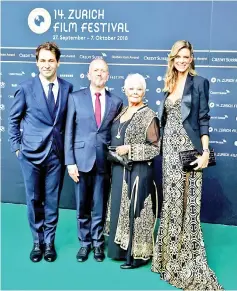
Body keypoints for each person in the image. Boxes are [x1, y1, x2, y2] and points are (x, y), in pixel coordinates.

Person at [151, 40, 223, 290]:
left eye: (186, 56)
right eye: (178, 56)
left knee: (188, 202)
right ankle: (167, 257)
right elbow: (166, 121)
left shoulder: (200, 83)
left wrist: (205, 151)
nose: (182, 60)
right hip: (169, 151)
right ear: (172, 59)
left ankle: (186, 256)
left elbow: (203, 118)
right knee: (171, 201)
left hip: (189, 149)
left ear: (192, 58)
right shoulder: (168, 84)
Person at [8, 42, 73, 262]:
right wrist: (17, 148)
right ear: (37, 62)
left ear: (58, 62)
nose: (47, 65)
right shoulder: (25, 88)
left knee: (52, 201)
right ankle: (37, 242)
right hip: (31, 155)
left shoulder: (67, 88)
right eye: (42, 60)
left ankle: (49, 242)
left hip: (56, 154)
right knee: (34, 199)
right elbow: (13, 120)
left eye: (51, 60)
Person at [64, 58, 123, 263]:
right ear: (88, 74)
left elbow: (116, 133)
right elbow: (68, 132)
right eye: (95, 70)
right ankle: (84, 243)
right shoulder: (75, 98)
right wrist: (70, 162)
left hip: (103, 162)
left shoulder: (116, 101)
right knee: (82, 205)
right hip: (80, 161)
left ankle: (98, 243)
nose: (99, 74)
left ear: (108, 76)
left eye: (103, 71)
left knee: (99, 204)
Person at [104, 73, 160, 269]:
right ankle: (119, 251)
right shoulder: (122, 111)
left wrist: (131, 149)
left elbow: (155, 148)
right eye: (131, 89)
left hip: (139, 171)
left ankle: (138, 256)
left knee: (135, 211)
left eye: (139, 89)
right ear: (125, 90)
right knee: (120, 208)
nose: (135, 92)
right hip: (119, 170)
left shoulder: (149, 115)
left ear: (144, 92)